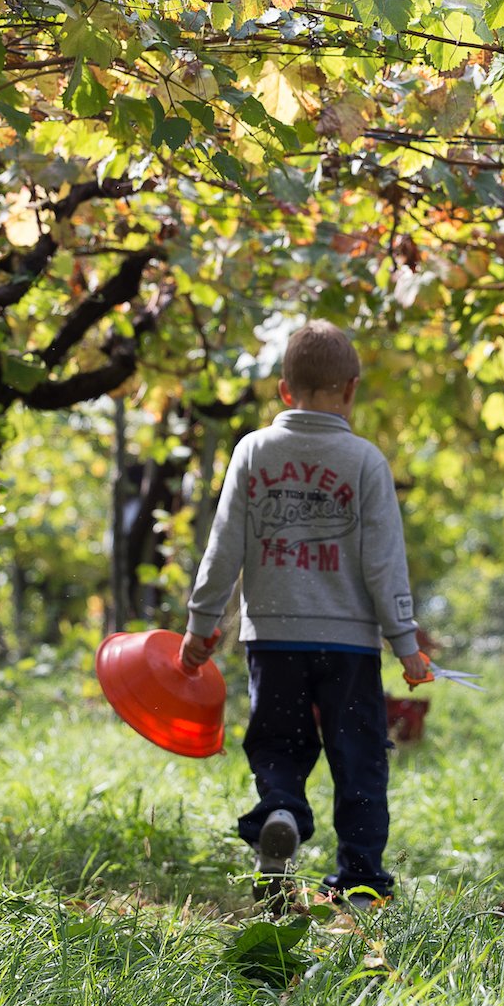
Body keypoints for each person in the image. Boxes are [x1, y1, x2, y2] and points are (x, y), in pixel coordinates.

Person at [183, 322, 430, 907]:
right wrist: (406, 642)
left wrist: (201, 625)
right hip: (348, 645)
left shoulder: (252, 451)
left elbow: (224, 547)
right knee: (359, 756)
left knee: (277, 743)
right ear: (350, 390)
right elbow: (384, 563)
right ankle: (362, 880)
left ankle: (283, 815)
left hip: (273, 637)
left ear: (283, 390)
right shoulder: (366, 462)